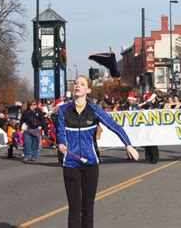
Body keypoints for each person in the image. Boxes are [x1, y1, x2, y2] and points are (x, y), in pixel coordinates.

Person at [57, 75, 139, 228]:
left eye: (82, 84)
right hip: (70, 163)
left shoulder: (94, 110)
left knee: (88, 208)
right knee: (74, 209)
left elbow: (114, 126)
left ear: (88, 90)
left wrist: (128, 145)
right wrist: (61, 144)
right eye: (76, 83)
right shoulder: (63, 110)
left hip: (90, 163)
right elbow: (61, 132)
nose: (77, 86)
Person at [139, 92, 159, 164]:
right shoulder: (147, 105)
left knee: (153, 143)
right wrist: (144, 104)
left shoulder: (156, 104)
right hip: (147, 126)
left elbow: (157, 112)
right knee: (147, 143)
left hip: (153, 126)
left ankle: (154, 158)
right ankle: (148, 158)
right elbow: (139, 107)